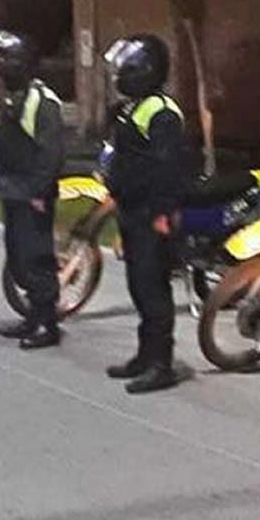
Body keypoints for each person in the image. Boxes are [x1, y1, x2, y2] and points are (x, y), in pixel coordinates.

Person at [102, 34, 194, 394]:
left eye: (128, 68)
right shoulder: (134, 108)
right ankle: (145, 354)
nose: (120, 75)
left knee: (153, 288)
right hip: (131, 209)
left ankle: (161, 364)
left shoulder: (162, 112)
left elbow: (168, 168)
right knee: (138, 286)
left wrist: (162, 213)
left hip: (150, 213)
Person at [0, 30, 66, 350]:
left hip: (32, 192)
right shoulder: (8, 98)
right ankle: (32, 316)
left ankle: (47, 324)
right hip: (11, 187)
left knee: (37, 258)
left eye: (4, 59)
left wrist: (40, 192)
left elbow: (51, 153)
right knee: (18, 257)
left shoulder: (42, 101)